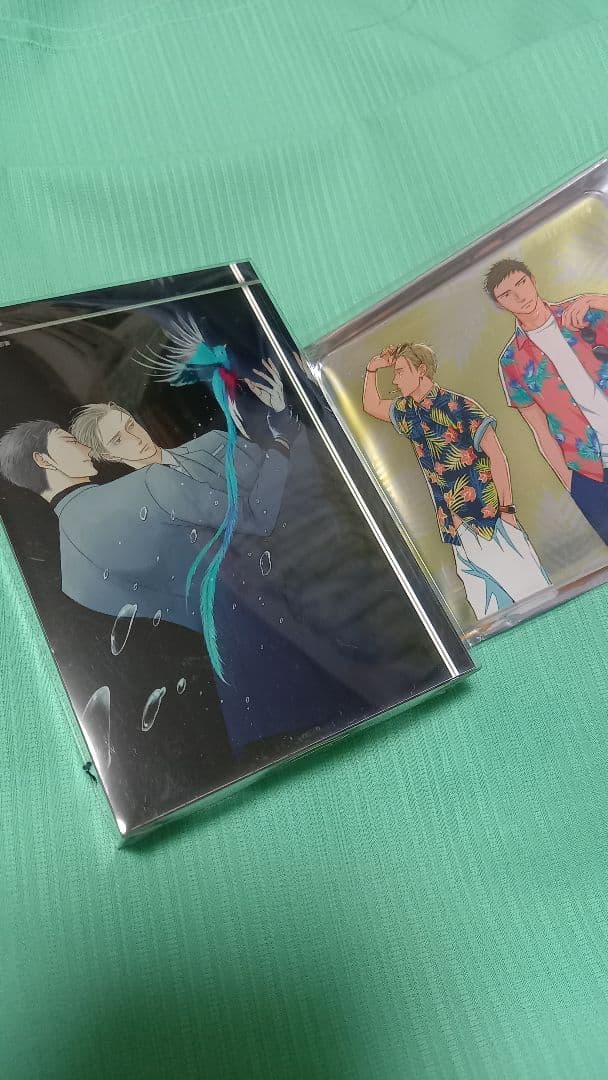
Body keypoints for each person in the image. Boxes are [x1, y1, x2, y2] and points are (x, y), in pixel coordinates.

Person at [362, 342, 549, 621]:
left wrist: (507, 511)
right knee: (492, 621)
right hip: (457, 533)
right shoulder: (407, 411)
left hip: (490, 523)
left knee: (539, 601)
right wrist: (372, 368)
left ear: (421, 371)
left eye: (400, 372)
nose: (395, 380)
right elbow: (371, 405)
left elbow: (497, 456)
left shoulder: (461, 407)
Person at [486, 258, 608, 542]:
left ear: (533, 280)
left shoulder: (584, 313)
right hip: (589, 472)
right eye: (507, 294)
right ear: (500, 304)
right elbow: (540, 430)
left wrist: (596, 300)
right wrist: (570, 483)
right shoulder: (512, 360)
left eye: (521, 283)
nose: (520, 296)